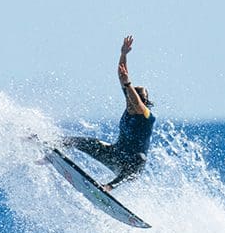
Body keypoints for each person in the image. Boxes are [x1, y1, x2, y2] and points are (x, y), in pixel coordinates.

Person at [63, 35, 156, 192]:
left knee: (140, 160)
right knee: (87, 142)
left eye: (135, 99)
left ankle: (109, 187)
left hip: (131, 167)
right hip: (115, 155)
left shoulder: (146, 116)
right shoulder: (129, 104)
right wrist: (123, 54)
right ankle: (51, 146)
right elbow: (122, 76)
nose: (131, 102)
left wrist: (128, 84)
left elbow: (133, 95)